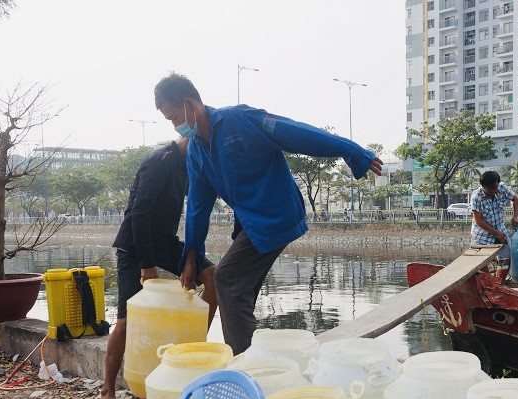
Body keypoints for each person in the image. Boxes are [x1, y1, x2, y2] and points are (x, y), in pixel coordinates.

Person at [153, 73, 383, 354]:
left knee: (226, 278)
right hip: (251, 224)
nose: (176, 126)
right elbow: (198, 210)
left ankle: (245, 364)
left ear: (189, 103)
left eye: (174, 117)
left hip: (277, 214)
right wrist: (190, 258)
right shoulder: (196, 154)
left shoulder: (239, 120)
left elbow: (297, 134)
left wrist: (353, 151)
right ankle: (260, 357)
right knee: (238, 292)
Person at [98, 137, 217, 399]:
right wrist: (147, 264)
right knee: (126, 321)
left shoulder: (190, 165)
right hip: (135, 245)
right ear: (192, 139)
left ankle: (192, 356)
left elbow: (196, 208)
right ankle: (107, 391)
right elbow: (139, 213)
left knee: (213, 277)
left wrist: (190, 258)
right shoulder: (159, 161)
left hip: (165, 242)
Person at [469, 170, 518, 282]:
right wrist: (497, 233)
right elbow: (478, 221)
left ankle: (499, 282)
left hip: (500, 230)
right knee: (480, 262)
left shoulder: (502, 188)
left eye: (495, 187)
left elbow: (515, 199)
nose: (494, 191)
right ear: (483, 186)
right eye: (490, 189)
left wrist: (515, 216)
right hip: (481, 235)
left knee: (506, 257)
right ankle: (488, 282)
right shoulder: (476, 197)